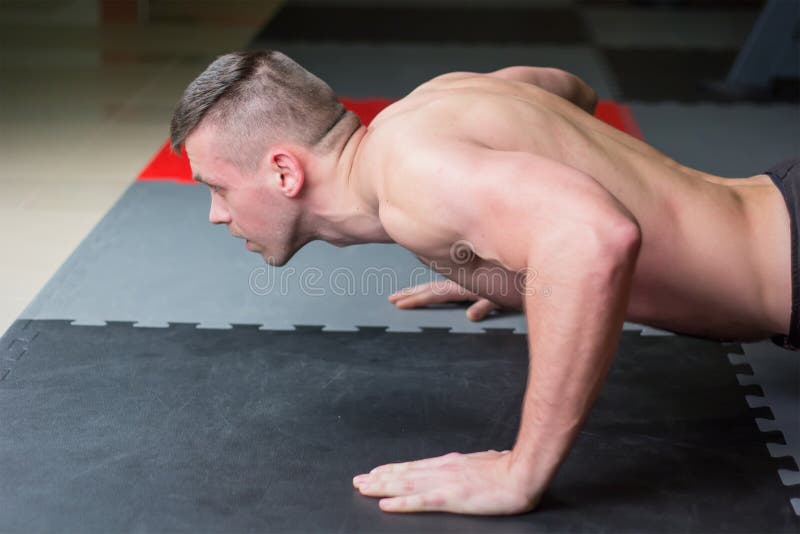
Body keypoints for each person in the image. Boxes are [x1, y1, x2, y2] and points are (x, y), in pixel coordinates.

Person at [170, 50, 797, 516]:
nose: (216, 214)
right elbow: (564, 86)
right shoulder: (426, 106)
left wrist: (521, 472)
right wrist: (506, 246)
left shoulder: (413, 176)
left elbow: (593, 240)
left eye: (216, 186)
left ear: (283, 170)